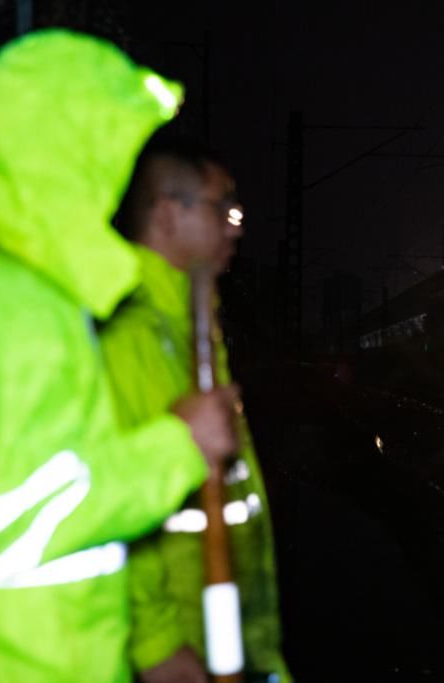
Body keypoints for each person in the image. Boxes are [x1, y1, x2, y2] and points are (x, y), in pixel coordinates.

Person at [0, 30, 239, 683]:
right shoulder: (9, 295)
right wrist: (179, 444)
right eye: (106, 152)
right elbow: (3, 516)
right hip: (23, 659)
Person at [101, 137, 292, 683]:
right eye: (220, 209)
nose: (235, 227)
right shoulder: (128, 333)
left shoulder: (194, 327)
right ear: (166, 213)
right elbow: (106, 496)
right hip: (181, 650)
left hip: (229, 634)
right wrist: (156, 644)